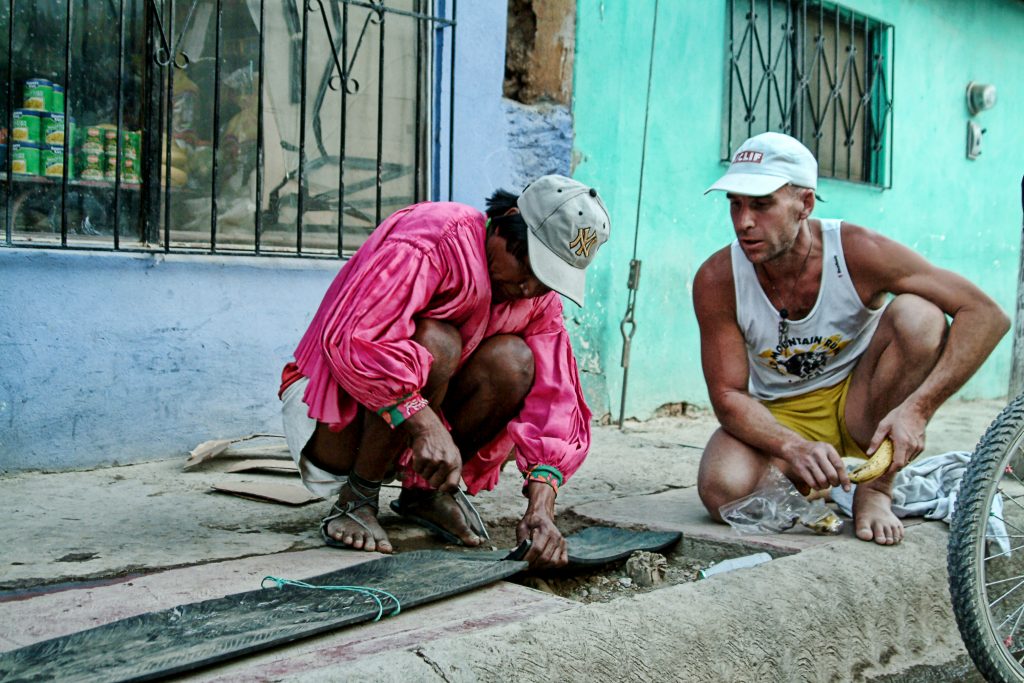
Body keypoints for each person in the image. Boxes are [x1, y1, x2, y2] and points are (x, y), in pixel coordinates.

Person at [278, 175, 610, 568]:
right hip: (330, 412)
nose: (527, 288)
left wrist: (542, 508)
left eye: (546, 279)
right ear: (505, 222)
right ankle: (357, 498)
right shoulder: (433, 236)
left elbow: (557, 404)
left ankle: (425, 493)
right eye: (525, 262)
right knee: (438, 343)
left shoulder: (539, 302)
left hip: (405, 424)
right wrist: (423, 423)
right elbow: (353, 341)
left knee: (515, 362)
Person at [693, 132, 1009, 545]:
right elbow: (728, 395)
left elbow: (986, 316)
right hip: (783, 412)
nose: (744, 221)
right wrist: (791, 447)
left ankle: (876, 488)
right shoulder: (718, 278)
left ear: (804, 204)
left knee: (921, 317)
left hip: (864, 407)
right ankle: (822, 473)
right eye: (735, 204)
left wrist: (917, 409)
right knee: (722, 491)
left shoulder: (858, 251)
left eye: (762, 204)